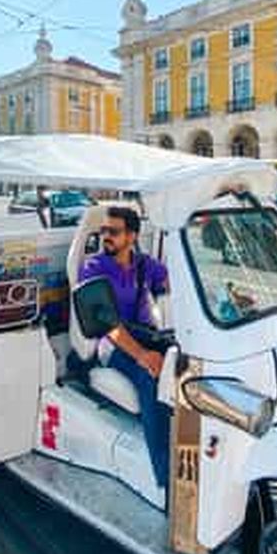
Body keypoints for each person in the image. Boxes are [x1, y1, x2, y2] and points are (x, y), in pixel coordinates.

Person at [78, 205, 170, 488]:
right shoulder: (93, 268)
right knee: (149, 376)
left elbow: (172, 285)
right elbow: (107, 323)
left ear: (131, 236)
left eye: (113, 232)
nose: (106, 236)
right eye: (103, 230)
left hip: (146, 335)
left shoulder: (145, 264)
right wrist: (143, 356)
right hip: (111, 343)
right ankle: (166, 477)